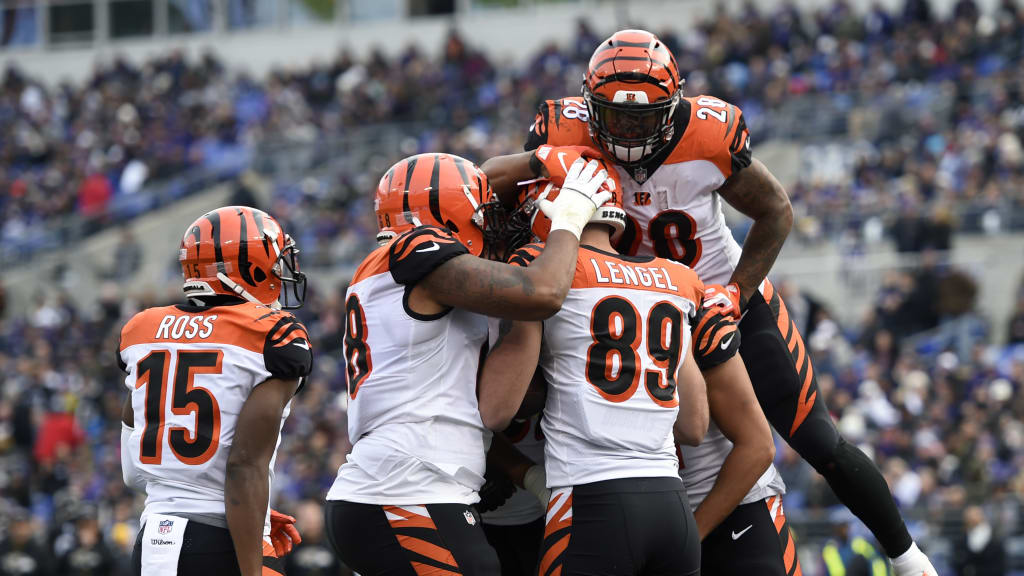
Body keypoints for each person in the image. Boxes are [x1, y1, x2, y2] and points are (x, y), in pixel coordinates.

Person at [481, 28, 937, 576]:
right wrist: (543, 162)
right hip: (634, 299)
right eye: (615, 116)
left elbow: (776, 212)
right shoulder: (565, 133)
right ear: (588, 106)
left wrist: (733, 292)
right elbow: (487, 184)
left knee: (815, 437)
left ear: (673, 108)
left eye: (644, 117)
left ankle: (908, 559)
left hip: (714, 297)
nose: (627, 131)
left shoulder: (707, 134)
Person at [325, 153, 612, 575]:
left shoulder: (399, 273)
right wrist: (568, 220)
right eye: (482, 214)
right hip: (403, 491)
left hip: (402, 487)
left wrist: (540, 159)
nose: (490, 223)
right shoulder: (417, 252)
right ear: (443, 216)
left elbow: (454, 406)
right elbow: (544, 292)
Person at [478, 180, 710, 575]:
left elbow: (496, 411)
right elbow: (693, 425)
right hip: (671, 504)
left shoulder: (541, 271)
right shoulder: (677, 279)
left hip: (591, 500)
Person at [119, 205, 310, 576]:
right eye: (274, 261)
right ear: (250, 267)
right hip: (218, 543)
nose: (281, 272)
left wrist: (257, 509)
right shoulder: (270, 335)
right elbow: (242, 467)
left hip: (151, 541)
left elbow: (132, 473)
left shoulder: (142, 331)